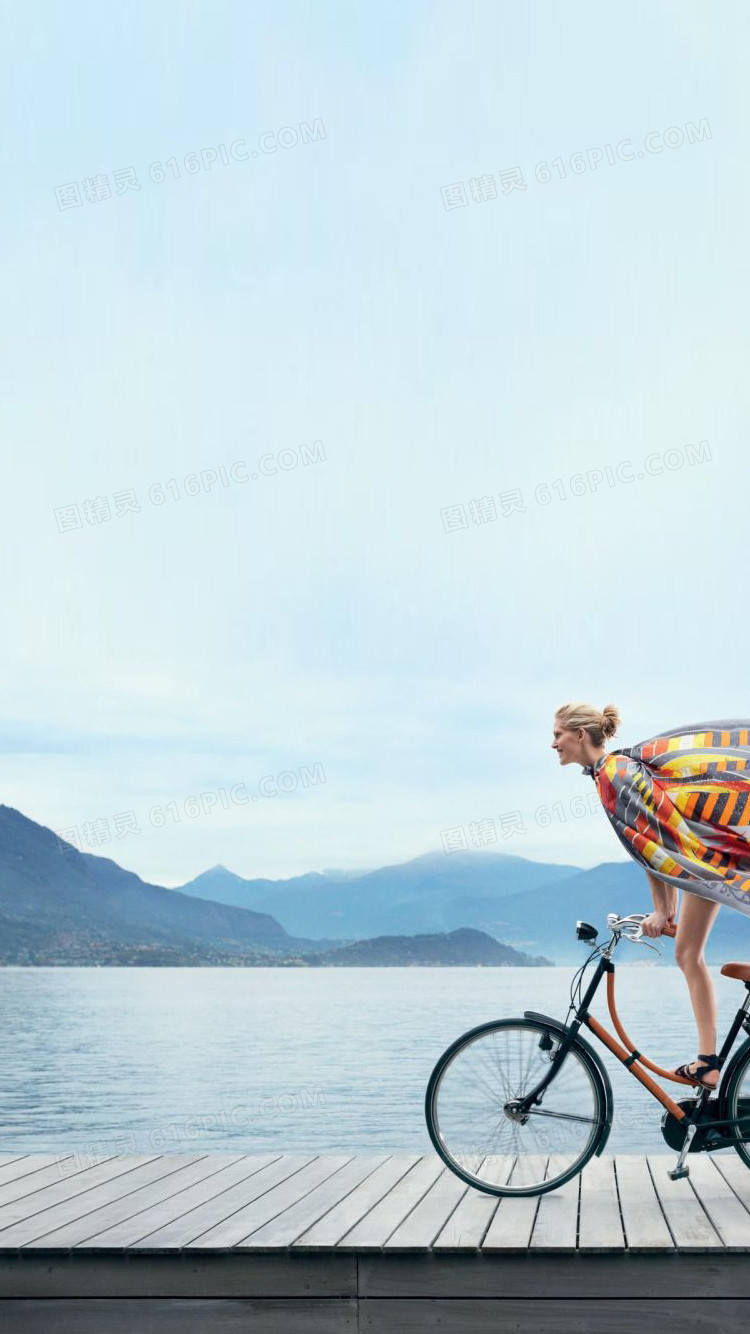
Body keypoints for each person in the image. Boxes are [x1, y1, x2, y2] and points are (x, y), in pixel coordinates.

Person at [552, 704, 750, 1090]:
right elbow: (650, 843)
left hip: (704, 855)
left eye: (558, 733)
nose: (552, 742)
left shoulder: (613, 774)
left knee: (688, 955)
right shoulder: (613, 771)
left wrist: (663, 909)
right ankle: (707, 1064)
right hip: (700, 854)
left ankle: (708, 1063)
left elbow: (655, 841)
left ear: (579, 735)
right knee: (688, 954)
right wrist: (666, 908)